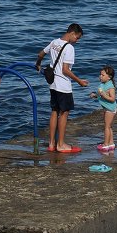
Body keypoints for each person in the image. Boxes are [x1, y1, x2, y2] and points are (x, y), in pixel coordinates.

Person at [36, 24, 88, 152]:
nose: (77, 40)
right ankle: (61, 144)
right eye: (77, 37)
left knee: (54, 111)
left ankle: (51, 144)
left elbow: (41, 53)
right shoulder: (69, 48)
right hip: (63, 85)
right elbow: (65, 70)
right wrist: (79, 81)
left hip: (52, 84)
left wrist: (38, 65)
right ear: (71, 33)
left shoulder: (54, 42)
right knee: (64, 114)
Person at [91, 65, 117, 152]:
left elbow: (112, 99)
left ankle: (106, 144)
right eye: (100, 75)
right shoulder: (103, 85)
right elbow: (100, 95)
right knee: (109, 126)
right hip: (107, 108)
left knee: (106, 126)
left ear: (109, 77)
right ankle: (111, 143)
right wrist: (95, 95)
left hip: (110, 108)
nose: (100, 76)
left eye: (102, 75)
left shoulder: (110, 87)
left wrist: (104, 95)